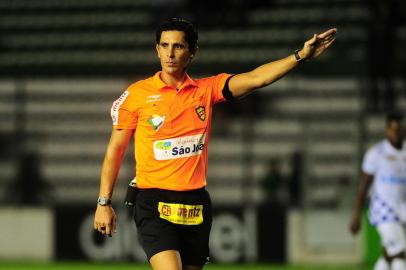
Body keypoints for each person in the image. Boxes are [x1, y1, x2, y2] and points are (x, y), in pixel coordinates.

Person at [94, 18, 336, 270]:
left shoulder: (206, 90)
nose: (170, 53)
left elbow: (256, 78)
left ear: (192, 52)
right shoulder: (136, 96)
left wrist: (300, 56)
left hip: (195, 204)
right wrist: (103, 202)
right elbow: (115, 150)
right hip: (153, 202)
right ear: (156, 49)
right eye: (164, 46)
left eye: (178, 46)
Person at [349, 112, 406, 270]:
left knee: (388, 254)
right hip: (382, 209)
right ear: (386, 130)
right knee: (399, 252)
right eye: (392, 129)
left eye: (399, 128)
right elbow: (364, 185)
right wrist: (356, 214)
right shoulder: (376, 154)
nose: (396, 132)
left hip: (402, 208)